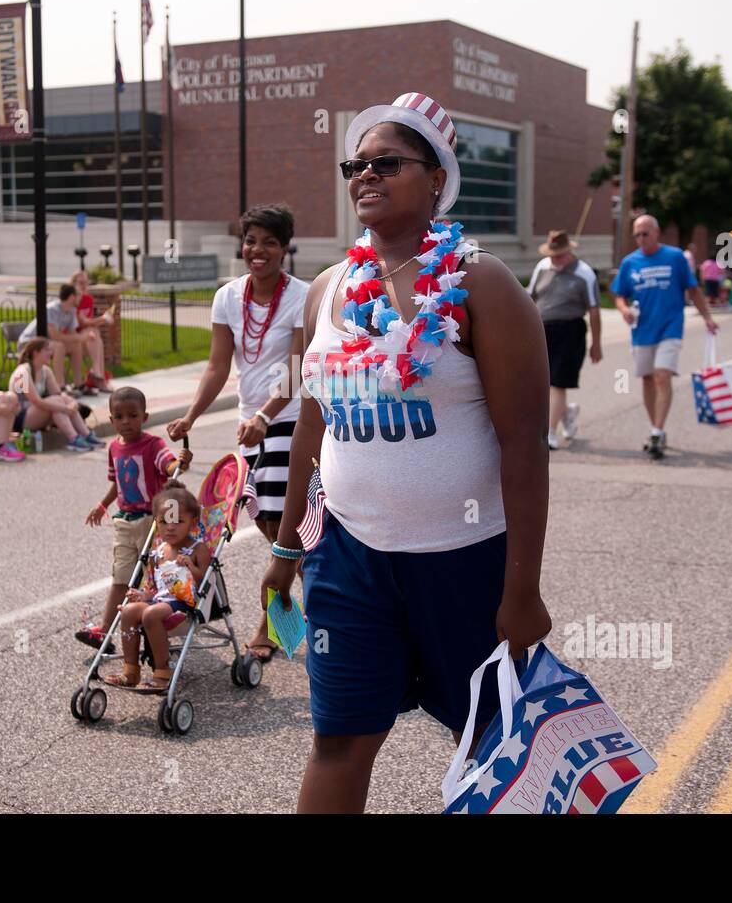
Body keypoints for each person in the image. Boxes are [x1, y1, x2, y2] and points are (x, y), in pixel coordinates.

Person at [259, 92, 552, 813]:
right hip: (349, 559)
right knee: (338, 740)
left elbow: (524, 447)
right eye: (355, 163)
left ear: (436, 178)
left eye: (386, 161)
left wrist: (522, 590)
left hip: (466, 558)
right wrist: (289, 549)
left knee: (494, 745)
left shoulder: (485, 286)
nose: (365, 174)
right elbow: (311, 427)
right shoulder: (326, 290)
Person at [165, 203, 308, 665]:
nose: (257, 250)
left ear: (284, 248)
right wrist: (190, 416)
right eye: (251, 241)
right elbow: (216, 365)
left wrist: (266, 415)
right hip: (251, 425)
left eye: (268, 241)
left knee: (287, 529)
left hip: (291, 420)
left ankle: (274, 621)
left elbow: (297, 366)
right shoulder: (227, 296)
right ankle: (316, 604)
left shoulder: (302, 296)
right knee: (271, 526)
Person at [80, 387, 192, 647]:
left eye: (132, 415)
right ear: (111, 420)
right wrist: (102, 505)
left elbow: (168, 465)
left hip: (151, 522)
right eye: (119, 416)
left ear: (145, 417)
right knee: (121, 577)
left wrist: (179, 464)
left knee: (153, 575)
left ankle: (156, 621)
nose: (126, 421)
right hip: (124, 522)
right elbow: (117, 483)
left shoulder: (153, 445)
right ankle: (104, 632)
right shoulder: (114, 448)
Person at [612, 214, 719, 459]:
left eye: (645, 233)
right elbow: (619, 294)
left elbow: (693, 289)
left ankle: (658, 431)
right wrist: (624, 309)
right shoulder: (630, 262)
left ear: (657, 233)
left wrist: (707, 318)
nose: (641, 239)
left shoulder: (675, 257)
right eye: (637, 235)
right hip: (642, 330)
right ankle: (655, 428)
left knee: (662, 375)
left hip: (670, 326)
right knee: (648, 379)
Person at [103, 479, 210, 691]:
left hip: (186, 603)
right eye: (163, 522)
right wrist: (144, 596)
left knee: (151, 614)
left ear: (193, 521)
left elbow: (207, 582)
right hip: (161, 601)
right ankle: (131, 670)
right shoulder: (158, 550)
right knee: (129, 611)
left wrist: (192, 566)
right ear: (156, 522)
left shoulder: (198, 549)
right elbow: (154, 586)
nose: (170, 527)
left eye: (178, 521)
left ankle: (162, 671)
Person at [525, 229, 602, 450]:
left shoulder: (584, 273)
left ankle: (549, 432)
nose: (555, 259)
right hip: (542, 329)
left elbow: (594, 310)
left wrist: (596, 344)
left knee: (558, 382)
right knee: (542, 381)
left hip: (570, 330)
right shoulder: (542, 267)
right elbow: (529, 297)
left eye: (559, 255)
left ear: (569, 252)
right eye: (552, 254)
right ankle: (567, 412)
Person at [7, 337, 102, 452]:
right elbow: (36, 401)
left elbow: (58, 394)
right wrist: (65, 408)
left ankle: (84, 435)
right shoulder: (22, 373)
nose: (51, 353)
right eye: (47, 350)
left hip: (37, 414)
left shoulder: (45, 370)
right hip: (21, 419)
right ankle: (75, 438)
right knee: (57, 405)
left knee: (58, 404)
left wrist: (72, 403)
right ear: (36, 353)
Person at [17, 283, 110, 395]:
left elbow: (73, 335)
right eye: (79, 295)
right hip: (29, 342)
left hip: (46, 343)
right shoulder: (52, 309)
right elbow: (55, 336)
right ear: (71, 297)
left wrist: (82, 338)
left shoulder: (71, 311)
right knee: (59, 346)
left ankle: (78, 384)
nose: (81, 298)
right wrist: (81, 337)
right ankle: (59, 387)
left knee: (76, 345)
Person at [70, 270, 115, 391]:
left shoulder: (88, 299)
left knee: (95, 333)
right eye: (80, 282)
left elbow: (87, 323)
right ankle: (98, 376)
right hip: (71, 336)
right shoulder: (73, 299)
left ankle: (97, 374)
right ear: (73, 284)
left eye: (86, 282)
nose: (84, 285)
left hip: (84, 337)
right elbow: (82, 322)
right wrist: (103, 318)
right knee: (93, 332)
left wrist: (103, 319)